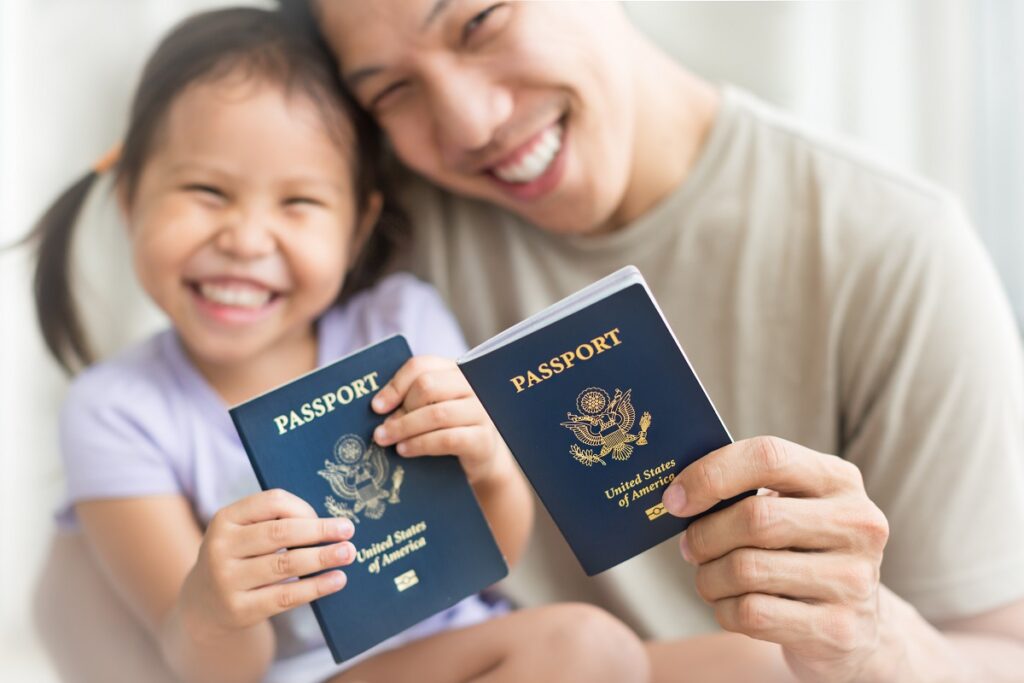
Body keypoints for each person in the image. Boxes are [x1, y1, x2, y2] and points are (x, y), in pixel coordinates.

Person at [292, 1, 1024, 680]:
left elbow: (1004, 650)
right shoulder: (357, 228)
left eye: (480, 20)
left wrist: (869, 636)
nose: (469, 122)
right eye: (391, 91)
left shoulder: (895, 249)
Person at [28, 7, 648, 683]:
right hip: (309, 673)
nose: (245, 237)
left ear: (358, 229)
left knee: (750, 659)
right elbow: (216, 670)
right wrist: (212, 606)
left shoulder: (400, 322)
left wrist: (491, 467)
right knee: (587, 647)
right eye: (207, 191)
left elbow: (483, 562)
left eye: (298, 204)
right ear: (128, 199)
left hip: (473, 641)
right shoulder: (116, 409)